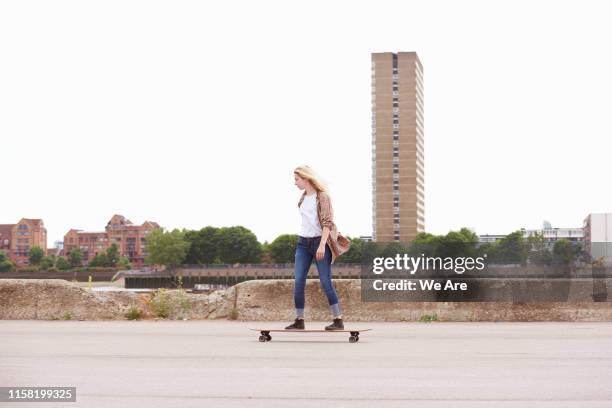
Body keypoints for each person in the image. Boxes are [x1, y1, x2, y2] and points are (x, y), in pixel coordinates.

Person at [285, 165, 351, 330]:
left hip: (319, 243)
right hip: (303, 244)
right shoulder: (302, 198)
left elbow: (327, 223)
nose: (295, 183)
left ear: (306, 178)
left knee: (325, 281)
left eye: (297, 179)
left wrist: (322, 246)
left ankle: (338, 320)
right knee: (299, 281)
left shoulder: (322, 197)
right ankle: (299, 320)